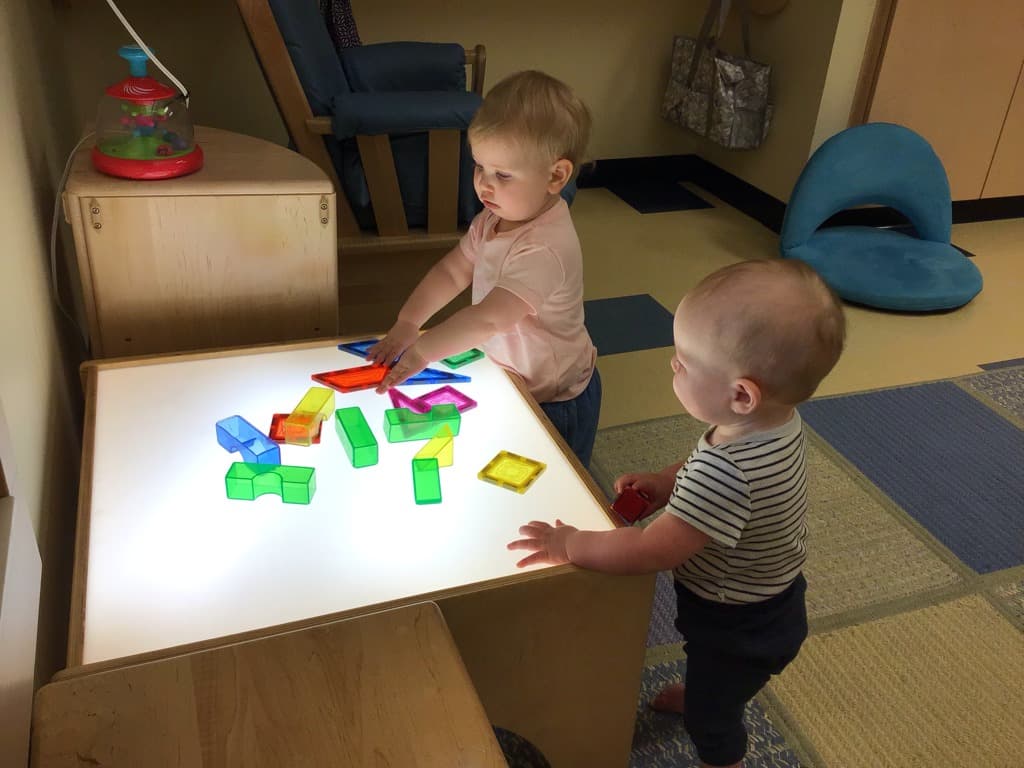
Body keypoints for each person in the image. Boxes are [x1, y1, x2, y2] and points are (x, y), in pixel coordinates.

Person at [507, 259, 846, 768]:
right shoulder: (770, 423)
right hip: (768, 599)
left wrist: (569, 544)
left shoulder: (729, 469)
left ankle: (721, 751)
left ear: (740, 394)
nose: (672, 365)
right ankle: (707, 689)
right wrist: (668, 483)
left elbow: (651, 550)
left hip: (738, 623)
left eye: (684, 362)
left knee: (714, 718)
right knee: (714, 675)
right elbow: (702, 466)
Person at [366, 70, 601, 467]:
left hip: (556, 399)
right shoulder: (492, 219)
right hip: (515, 377)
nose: (484, 185)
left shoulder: (545, 248)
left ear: (556, 176)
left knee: (562, 480)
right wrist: (409, 321)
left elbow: (490, 319)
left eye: (502, 175)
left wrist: (423, 351)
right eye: (480, 167)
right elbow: (452, 271)